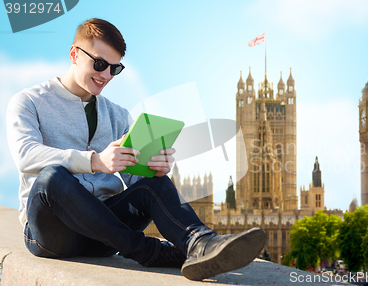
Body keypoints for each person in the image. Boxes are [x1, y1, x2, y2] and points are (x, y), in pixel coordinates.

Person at [6, 18, 265, 281]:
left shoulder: (118, 115)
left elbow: (133, 178)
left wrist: (153, 169)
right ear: (74, 54)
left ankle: (201, 243)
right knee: (52, 177)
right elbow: (26, 155)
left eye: (114, 69)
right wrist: (95, 161)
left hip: (103, 235)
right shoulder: (29, 102)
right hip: (52, 235)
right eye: (99, 64)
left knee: (157, 185)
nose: (105, 75)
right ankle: (151, 252)